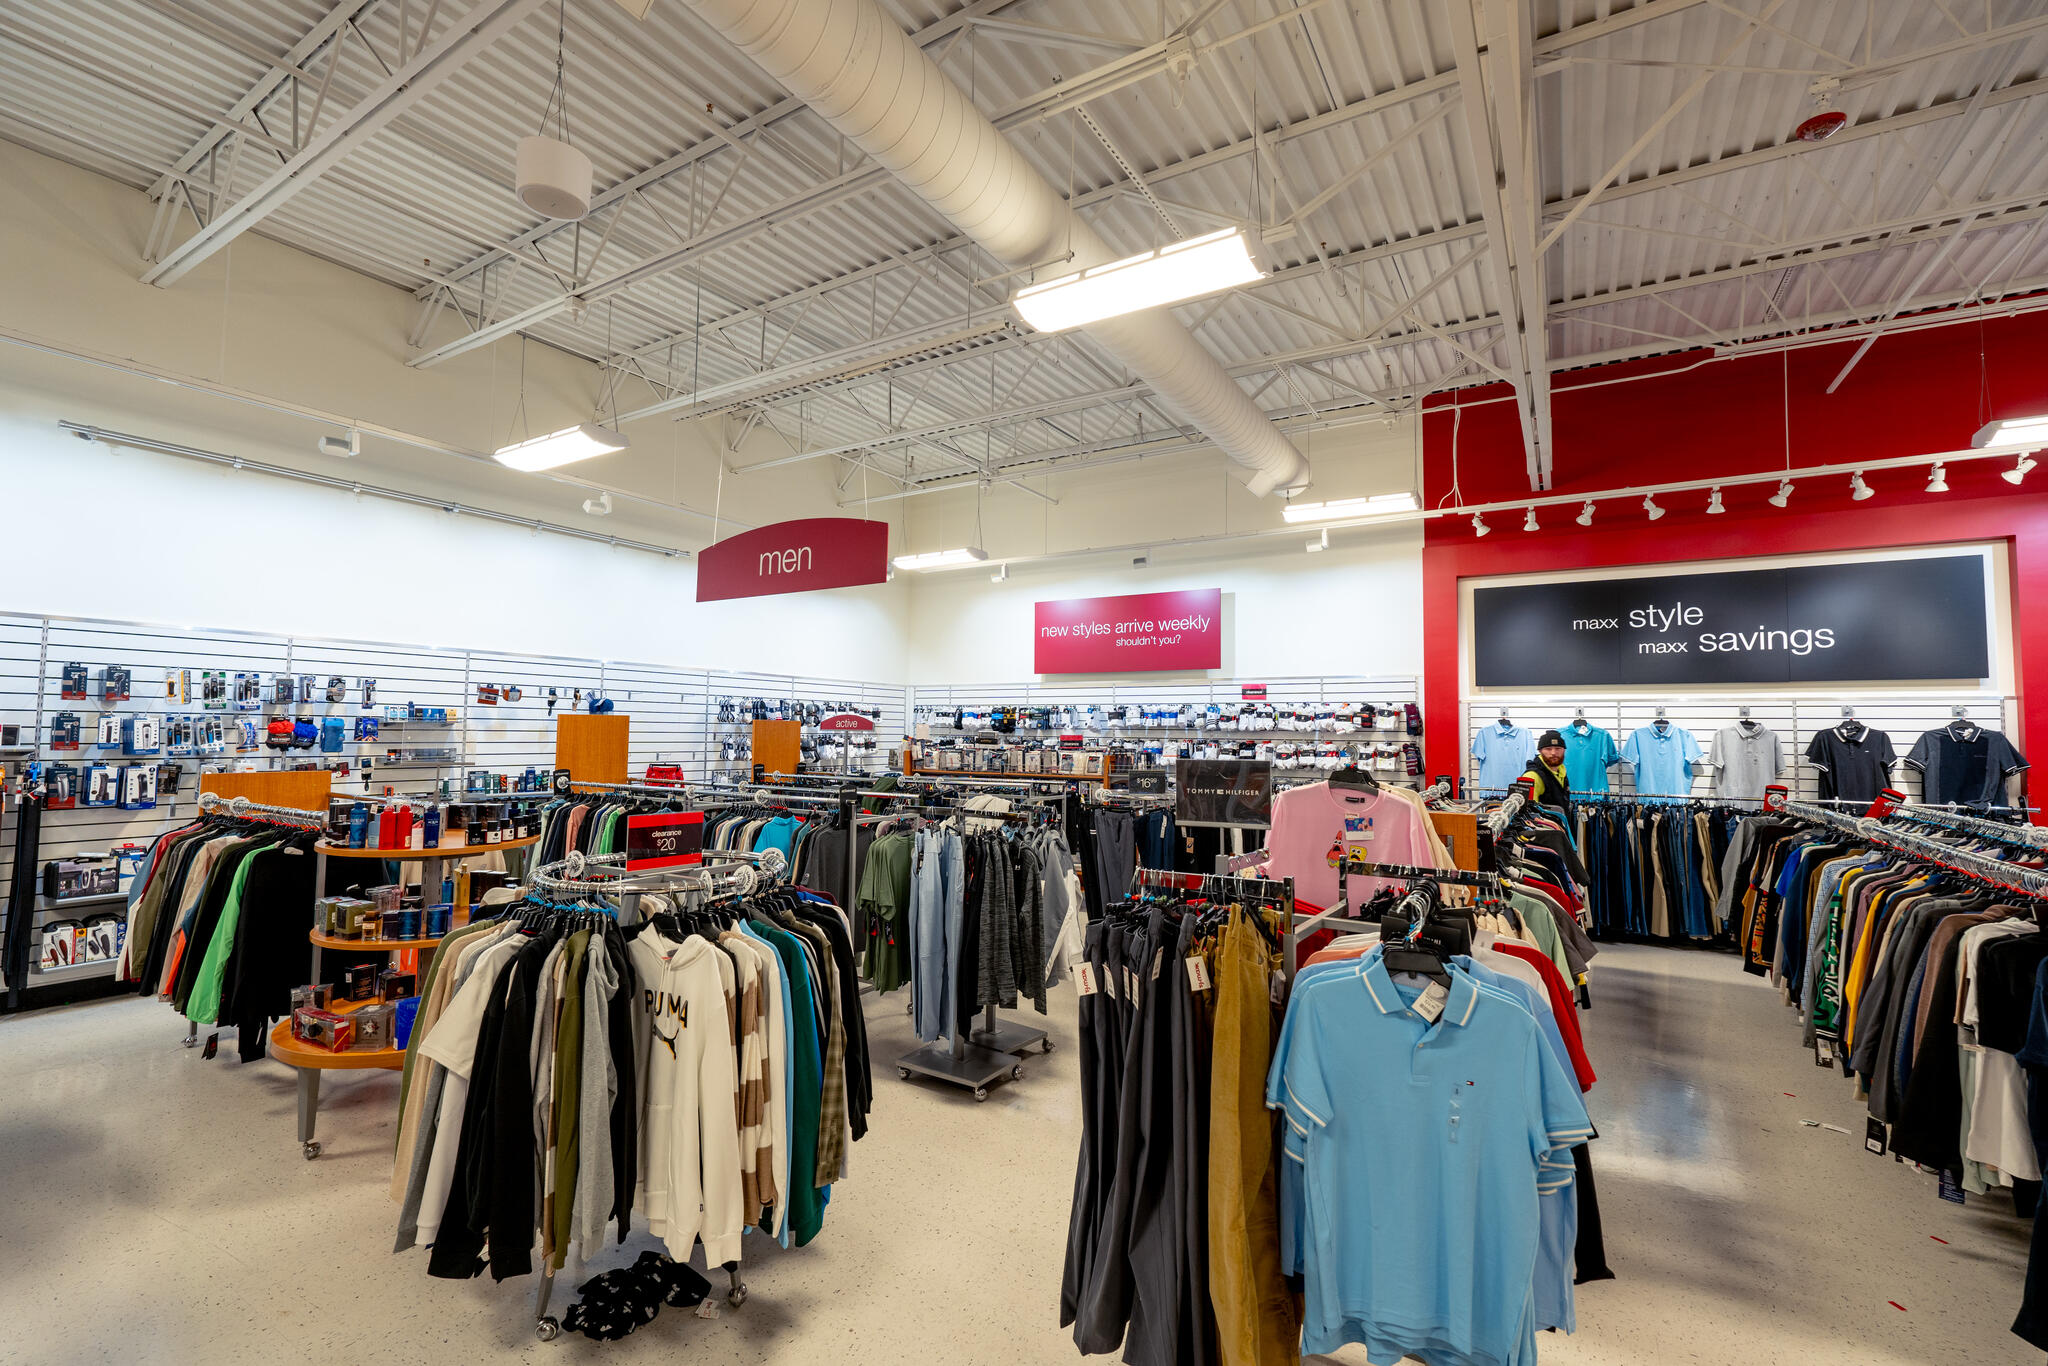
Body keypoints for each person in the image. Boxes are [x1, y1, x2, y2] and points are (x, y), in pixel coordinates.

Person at [1523, 730, 1572, 813]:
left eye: (1558, 748)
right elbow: (1528, 813)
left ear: (1564, 750)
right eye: (1548, 749)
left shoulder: (1561, 771)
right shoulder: (1531, 777)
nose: (1553, 753)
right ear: (1540, 751)